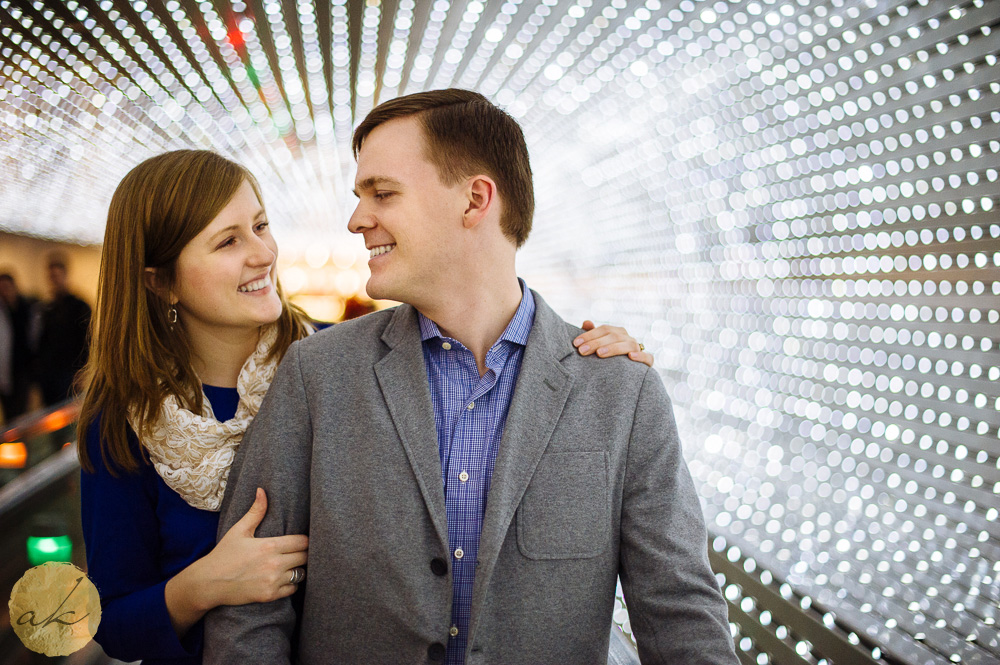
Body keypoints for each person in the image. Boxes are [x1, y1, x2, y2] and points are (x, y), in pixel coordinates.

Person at [204, 90, 736, 665]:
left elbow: (680, 610)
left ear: (475, 199)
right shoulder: (316, 375)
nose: (357, 219)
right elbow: (248, 612)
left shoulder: (621, 392)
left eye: (381, 193)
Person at [78, 149, 652, 665]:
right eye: (227, 242)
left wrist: (584, 356)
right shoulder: (126, 421)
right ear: (161, 283)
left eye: (259, 226)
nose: (264, 254)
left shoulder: (338, 365)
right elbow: (117, 623)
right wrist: (205, 585)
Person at [35, 256, 92, 405]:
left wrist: (82, 371)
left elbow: (87, 341)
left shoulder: (79, 307)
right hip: (50, 374)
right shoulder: (48, 308)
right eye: (51, 276)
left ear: (65, 275)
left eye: (57, 276)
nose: (54, 280)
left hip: (69, 373)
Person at [0, 272, 38, 423]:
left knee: (26, 415)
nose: (5, 292)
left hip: (25, 371)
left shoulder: (27, 309)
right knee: (11, 416)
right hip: (7, 372)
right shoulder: (4, 313)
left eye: (7, 287)